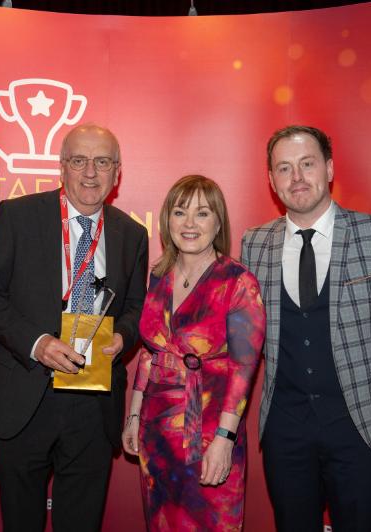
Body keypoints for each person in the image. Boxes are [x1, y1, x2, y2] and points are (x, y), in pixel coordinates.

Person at [241, 125, 371, 531]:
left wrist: (366, 369)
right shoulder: (254, 244)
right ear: (271, 181)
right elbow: (249, 328)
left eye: (307, 164)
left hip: (362, 426)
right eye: (284, 168)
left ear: (328, 168)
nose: (296, 178)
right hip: (285, 429)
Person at [0, 123, 149, 532]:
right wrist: (37, 344)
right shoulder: (17, 216)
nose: (91, 172)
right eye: (79, 160)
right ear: (61, 168)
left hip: (93, 403)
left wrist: (123, 335)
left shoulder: (132, 234)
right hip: (26, 395)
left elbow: (137, 308)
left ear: (117, 172)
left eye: (102, 161)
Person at [122, 175, 266, 531]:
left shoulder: (238, 282)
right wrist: (134, 416)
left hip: (210, 432)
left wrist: (224, 441)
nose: (188, 224)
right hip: (157, 434)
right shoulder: (159, 274)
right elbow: (149, 352)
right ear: (166, 219)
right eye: (179, 212)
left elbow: (243, 373)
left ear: (218, 222)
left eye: (202, 214)